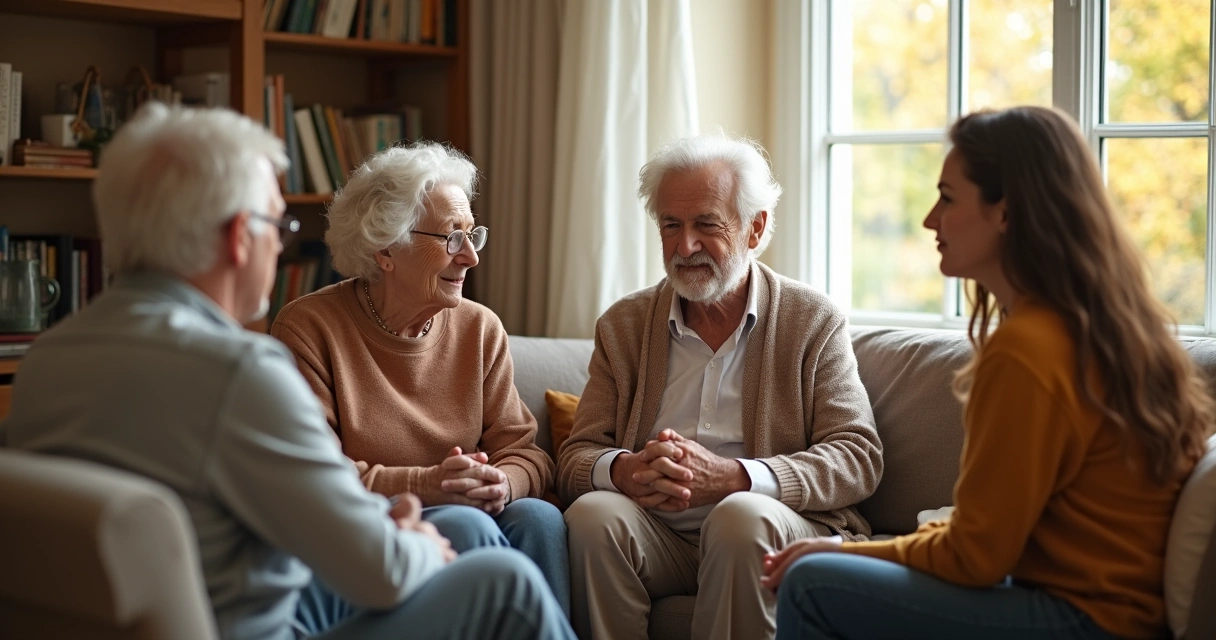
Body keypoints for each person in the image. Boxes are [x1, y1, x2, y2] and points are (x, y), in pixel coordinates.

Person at [0, 103, 573, 640]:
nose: (280, 247)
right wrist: (420, 538)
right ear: (237, 238)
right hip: (255, 626)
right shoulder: (239, 373)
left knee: (479, 531)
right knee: (508, 583)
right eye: (277, 226)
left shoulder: (47, 359)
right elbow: (380, 569)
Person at [762, 106, 1216, 640]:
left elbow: (976, 556)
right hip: (1109, 611)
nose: (931, 219)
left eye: (948, 198)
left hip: (1083, 619)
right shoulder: (1096, 326)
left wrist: (847, 550)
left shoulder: (1028, 350)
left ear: (1006, 211)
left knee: (813, 581)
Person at [557, 134, 884, 639]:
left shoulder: (812, 320)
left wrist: (737, 477)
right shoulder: (623, 325)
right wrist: (622, 470)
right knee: (594, 515)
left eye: (706, 225)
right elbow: (578, 454)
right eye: (671, 225)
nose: (685, 246)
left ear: (755, 229)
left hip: (766, 526)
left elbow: (857, 457)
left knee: (739, 517)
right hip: (661, 536)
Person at [271, 143, 569, 615]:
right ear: (386, 249)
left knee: (540, 518)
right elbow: (317, 477)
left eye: (474, 235)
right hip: (377, 522)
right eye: (452, 238)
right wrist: (429, 485)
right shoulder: (309, 329)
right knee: (466, 526)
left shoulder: (479, 329)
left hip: (465, 504)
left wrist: (501, 483)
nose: (470, 256)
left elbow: (525, 452)